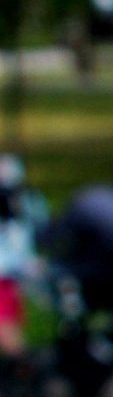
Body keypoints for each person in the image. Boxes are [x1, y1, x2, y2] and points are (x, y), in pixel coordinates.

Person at [0, 154, 45, 361]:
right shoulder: (29, 203)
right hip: (14, 271)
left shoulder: (29, 203)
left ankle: (23, 367)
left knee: (8, 323)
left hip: (15, 273)